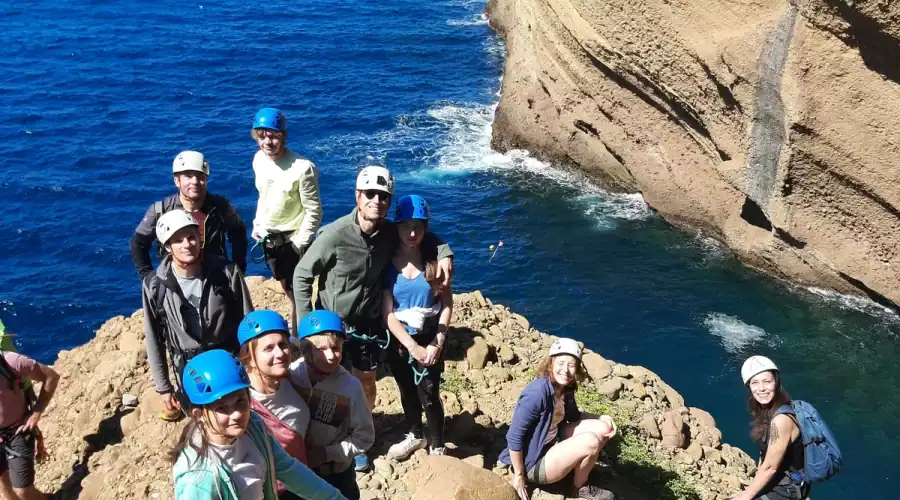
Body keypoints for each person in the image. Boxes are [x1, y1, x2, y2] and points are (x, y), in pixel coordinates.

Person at [291, 166, 453, 471]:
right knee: (329, 380)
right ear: (358, 196)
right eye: (370, 194)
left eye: (383, 196)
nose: (376, 200)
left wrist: (445, 253)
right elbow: (302, 274)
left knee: (365, 380)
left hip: (368, 324)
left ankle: (358, 436)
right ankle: (330, 438)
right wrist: (306, 323)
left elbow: (421, 234)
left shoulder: (389, 232)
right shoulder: (334, 235)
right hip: (332, 325)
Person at [171, 349, 345, 500]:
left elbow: (288, 469)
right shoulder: (198, 482)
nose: (237, 414)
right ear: (199, 415)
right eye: (222, 408)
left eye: (240, 401)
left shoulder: (253, 427)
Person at [143, 210, 254, 421]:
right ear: (167, 246)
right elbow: (154, 339)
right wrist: (164, 387)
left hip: (227, 363)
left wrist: (251, 362)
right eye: (178, 240)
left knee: (237, 418)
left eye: (191, 237)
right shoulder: (155, 285)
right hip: (190, 371)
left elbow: (248, 320)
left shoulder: (226, 272)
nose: (187, 244)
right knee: (204, 423)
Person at [499, 338, 617, 500]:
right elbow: (514, 436)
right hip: (534, 461)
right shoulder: (537, 393)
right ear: (551, 363)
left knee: (603, 428)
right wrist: (519, 475)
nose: (565, 370)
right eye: (561, 363)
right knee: (591, 441)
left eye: (571, 365)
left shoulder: (564, 388)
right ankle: (579, 488)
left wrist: (602, 417)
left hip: (553, 439)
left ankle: (577, 468)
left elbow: (574, 416)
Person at [382, 195, 453, 460]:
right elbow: (387, 314)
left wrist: (437, 342)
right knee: (407, 390)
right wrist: (411, 347)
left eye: (418, 227)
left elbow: (447, 304)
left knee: (431, 392)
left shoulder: (435, 262)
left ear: (426, 228)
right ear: (397, 227)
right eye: (405, 227)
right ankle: (415, 433)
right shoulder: (387, 262)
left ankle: (437, 444)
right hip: (401, 340)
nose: (412, 233)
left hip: (430, 335)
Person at [251, 109, 323, 335]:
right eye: (262, 136)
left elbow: (314, 211)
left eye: (273, 136)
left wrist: (299, 244)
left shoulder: (302, 168)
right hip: (270, 241)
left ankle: (304, 338)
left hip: (293, 241)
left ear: (283, 136)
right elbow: (265, 197)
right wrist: (258, 225)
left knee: (298, 293)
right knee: (287, 288)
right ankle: (299, 332)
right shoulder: (259, 160)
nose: (268, 141)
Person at [288, 311, 374, 500]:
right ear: (306, 351)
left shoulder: (350, 387)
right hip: (299, 472)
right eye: (321, 349)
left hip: (336, 475)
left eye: (336, 348)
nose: (331, 356)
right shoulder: (292, 375)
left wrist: (327, 453)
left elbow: (365, 437)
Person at [131, 150, 248, 279]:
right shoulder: (161, 210)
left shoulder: (221, 207)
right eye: (188, 176)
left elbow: (238, 233)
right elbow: (138, 243)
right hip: (176, 281)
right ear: (177, 181)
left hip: (216, 280)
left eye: (200, 176)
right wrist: (147, 277)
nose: (195, 182)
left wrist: (238, 269)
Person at [237, 310, 310, 478]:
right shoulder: (242, 405)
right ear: (249, 358)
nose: (280, 353)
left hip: (304, 478)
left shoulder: (289, 378)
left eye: (283, 345)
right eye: (268, 348)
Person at [729, 356, 810, 500]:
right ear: (749, 386)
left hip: (788, 489)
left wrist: (745, 496)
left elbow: (770, 467)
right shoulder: (769, 411)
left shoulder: (781, 420)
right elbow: (766, 455)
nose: (761, 388)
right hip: (782, 483)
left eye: (767, 381)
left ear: (776, 382)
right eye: (755, 383)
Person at [0, 344, 59, 500]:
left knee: (22, 491)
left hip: (17, 431)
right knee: (4, 482)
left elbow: (51, 376)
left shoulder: (9, 361)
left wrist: (36, 413)